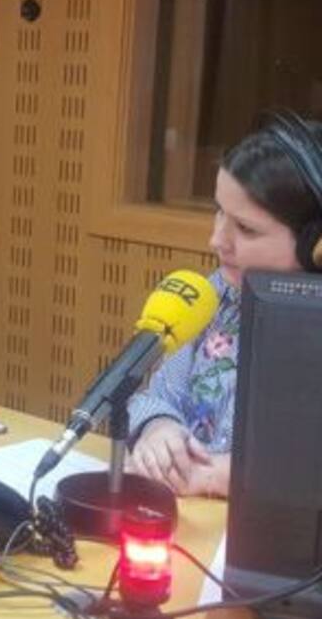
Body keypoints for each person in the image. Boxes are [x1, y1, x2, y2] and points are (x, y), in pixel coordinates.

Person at [127, 113, 322, 498]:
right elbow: (157, 396)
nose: (217, 240)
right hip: (191, 515)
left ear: (314, 242)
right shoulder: (216, 295)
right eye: (219, 211)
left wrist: (216, 476)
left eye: (246, 229)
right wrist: (158, 429)